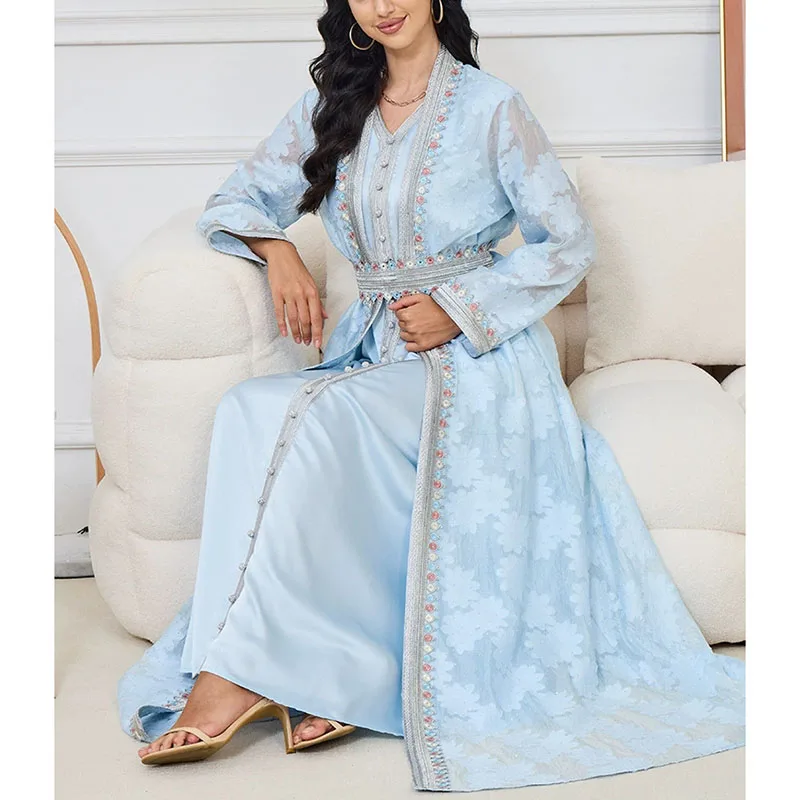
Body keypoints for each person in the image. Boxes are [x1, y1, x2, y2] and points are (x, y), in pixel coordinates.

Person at [117, 0, 745, 792]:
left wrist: (460, 306)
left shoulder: (492, 109)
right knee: (251, 407)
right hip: (374, 348)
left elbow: (568, 240)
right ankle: (298, 669)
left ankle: (236, 677)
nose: (384, 5)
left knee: (329, 417)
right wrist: (278, 251)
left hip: (480, 363)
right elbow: (236, 200)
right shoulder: (331, 107)